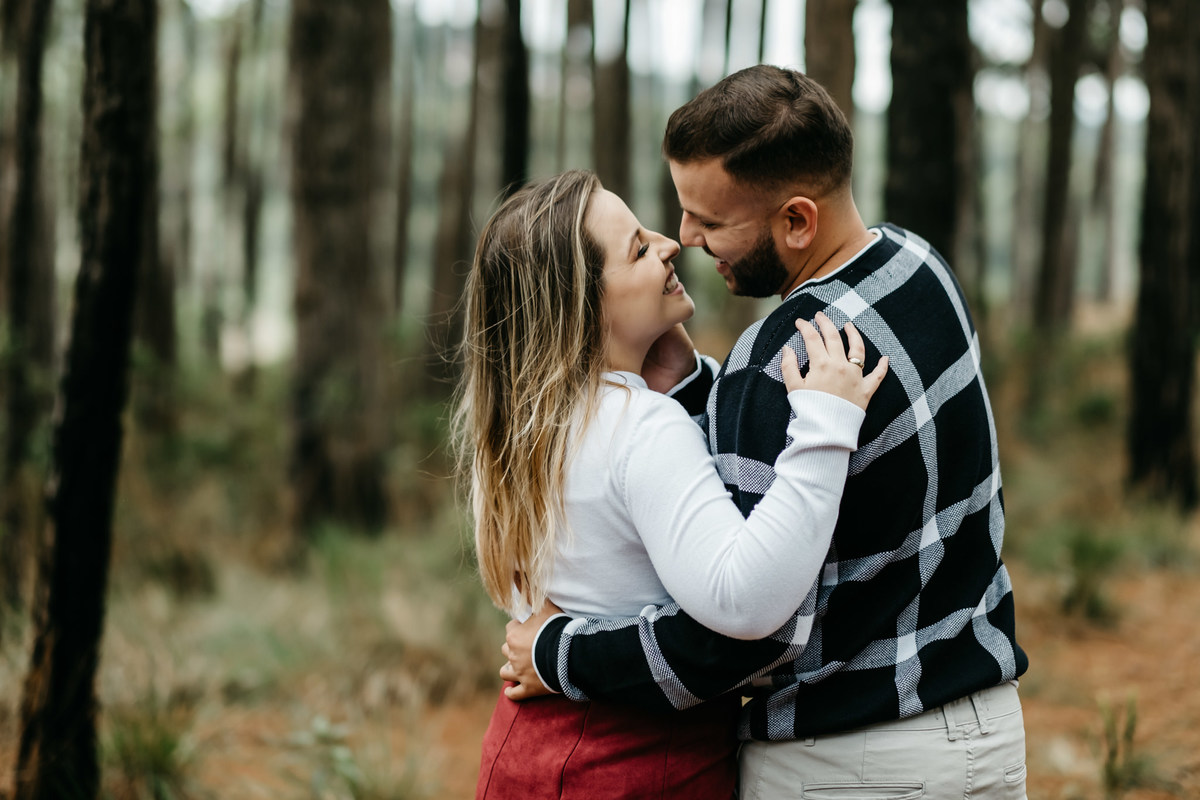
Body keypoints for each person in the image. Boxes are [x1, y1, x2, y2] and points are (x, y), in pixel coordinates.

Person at [501, 65, 1030, 799]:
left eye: (711, 221)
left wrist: (558, 651)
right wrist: (696, 387)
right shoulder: (918, 266)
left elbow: (737, 637)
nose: (686, 238)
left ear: (796, 221)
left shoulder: (778, 361)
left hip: (849, 763)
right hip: (984, 733)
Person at [453, 168, 888, 799]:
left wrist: (685, 384)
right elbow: (745, 599)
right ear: (584, 306)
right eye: (637, 250)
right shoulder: (642, 428)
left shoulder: (521, 427)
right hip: (635, 762)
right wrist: (823, 431)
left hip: (524, 749)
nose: (669, 244)